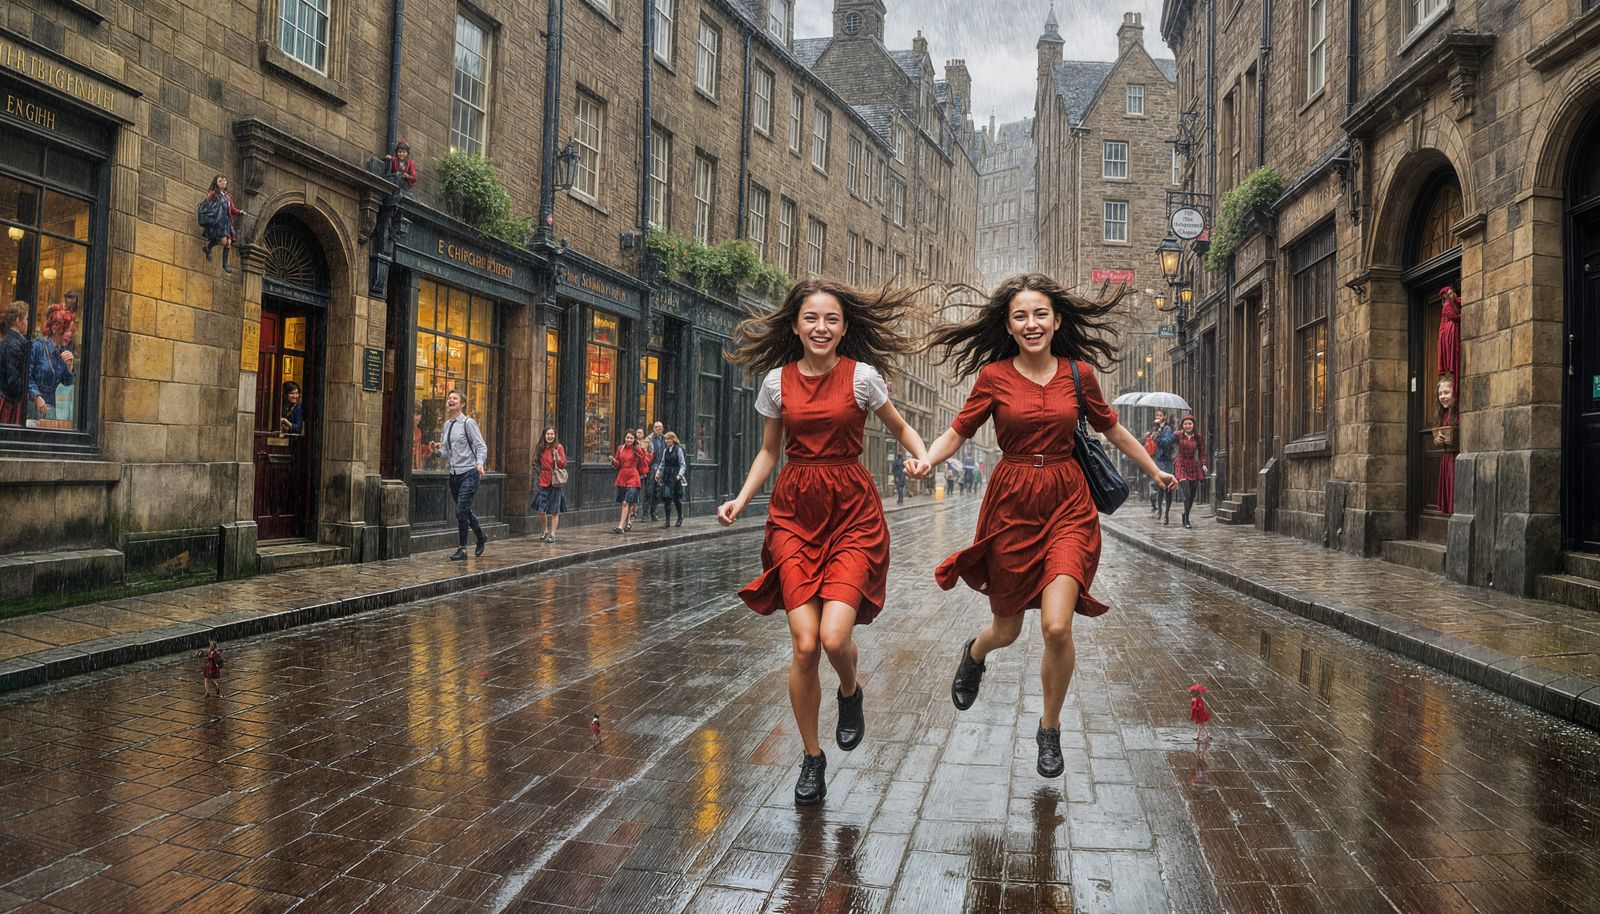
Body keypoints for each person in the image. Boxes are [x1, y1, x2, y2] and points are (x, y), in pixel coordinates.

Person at [919, 273, 1176, 779]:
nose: (1032, 323)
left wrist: (1154, 469)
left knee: (1057, 624)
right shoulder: (993, 377)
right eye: (1021, 315)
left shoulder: (1078, 374)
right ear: (1009, 326)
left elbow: (1112, 429)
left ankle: (1050, 728)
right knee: (1007, 630)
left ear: (1057, 321)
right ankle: (974, 654)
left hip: (1067, 502)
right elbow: (959, 430)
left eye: (1040, 314)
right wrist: (928, 460)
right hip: (1012, 504)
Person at [717, 279, 931, 806]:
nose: (821, 327)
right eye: (811, 319)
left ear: (844, 328)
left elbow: (902, 428)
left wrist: (922, 456)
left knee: (835, 639)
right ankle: (812, 757)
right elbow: (770, 452)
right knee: (805, 644)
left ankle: (851, 691)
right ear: (795, 325)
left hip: (852, 513)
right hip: (794, 513)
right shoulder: (775, 383)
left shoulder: (862, 379)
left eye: (831, 319)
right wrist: (742, 499)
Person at [439, 390, 488, 560]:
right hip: (454, 474)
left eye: (454, 398)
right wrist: (436, 451)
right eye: (449, 398)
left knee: (460, 510)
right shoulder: (446, 425)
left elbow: (481, 446)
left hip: (470, 472)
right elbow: (445, 451)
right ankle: (481, 536)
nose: (450, 400)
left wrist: (480, 463)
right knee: (464, 510)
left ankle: (463, 549)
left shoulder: (468, 423)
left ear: (462, 404)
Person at [27, 304, 74, 424]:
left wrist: (69, 367)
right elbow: (27, 375)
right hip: (32, 407)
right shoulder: (38, 346)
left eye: (71, 331)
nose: (70, 334)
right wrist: (37, 397)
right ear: (55, 328)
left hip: (50, 409)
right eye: (67, 330)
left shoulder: (62, 352)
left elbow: (66, 382)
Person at [199, 175, 245, 274]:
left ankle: (225, 264)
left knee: (228, 243)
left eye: (224, 180)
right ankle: (208, 247)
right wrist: (210, 196)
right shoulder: (215, 194)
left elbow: (232, 209)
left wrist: (239, 212)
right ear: (216, 183)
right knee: (224, 242)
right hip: (218, 220)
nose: (223, 182)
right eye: (220, 181)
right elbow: (209, 201)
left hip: (227, 220)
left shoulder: (228, 195)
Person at [532, 426, 567, 543]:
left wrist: (557, 458)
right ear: (544, 435)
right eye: (548, 434)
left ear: (555, 436)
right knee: (541, 509)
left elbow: (562, 464)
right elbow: (535, 462)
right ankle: (544, 530)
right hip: (543, 480)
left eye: (552, 434)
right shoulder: (540, 447)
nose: (550, 436)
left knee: (554, 510)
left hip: (555, 481)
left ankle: (553, 534)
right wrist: (537, 476)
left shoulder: (558, 447)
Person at [1174, 415, 1209, 529]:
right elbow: (1166, 442)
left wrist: (1204, 464)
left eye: (1190, 423)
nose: (1187, 426)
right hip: (1181, 464)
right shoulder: (1178, 435)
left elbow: (1202, 452)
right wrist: (1158, 434)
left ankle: (1185, 513)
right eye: (1185, 424)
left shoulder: (1198, 437)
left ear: (1193, 425)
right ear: (1182, 425)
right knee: (1187, 493)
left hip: (1192, 465)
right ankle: (1187, 520)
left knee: (1192, 495)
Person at [0, 302, 30, 426]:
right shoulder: (15, 345)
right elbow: (14, 381)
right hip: (10, 402)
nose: (27, 322)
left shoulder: (8, 340)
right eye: (26, 318)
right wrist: (29, 392)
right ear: (18, 320)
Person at [611, 430, 646, 534]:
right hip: (622, 477)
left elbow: (643, 460)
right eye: (627, 437)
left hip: (633, 477)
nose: (629, 440)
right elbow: (618, 464)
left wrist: (640, 450)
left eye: (631, 438)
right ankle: (628, 522)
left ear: (634, 439)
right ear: (624, 438)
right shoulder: (620, 448)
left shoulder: (636, 448)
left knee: (626, 502)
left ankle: (620, 527)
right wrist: (613, 461)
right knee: (627, 502)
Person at [656, 431, 688, 527]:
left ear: (673, 439)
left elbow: (683, 464)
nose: (667, 441)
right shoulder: (665, 450)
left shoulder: (678, 450)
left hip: (675, 476)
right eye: (666, 439)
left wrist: (679, 475)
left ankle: (680, 517)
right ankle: (667, 521)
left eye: (669, 439)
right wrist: (658, 472)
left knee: (677, 498)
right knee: (667, 498)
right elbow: (662, 463)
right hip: (667, 475)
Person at [1151, 411, 1177, 524]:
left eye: (1160, 415)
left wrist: (1157, 439)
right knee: (1159, 486)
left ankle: (1166, 513)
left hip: (1166, 462)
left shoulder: (1167, 429)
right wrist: (1154, 437)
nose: (1158, 417)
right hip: (1159, 460)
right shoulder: (1157, 429)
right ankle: (1160, 510)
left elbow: (1167, 442)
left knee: (1168, 488)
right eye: (1156, 415)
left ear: (1164, 417)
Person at [645, 420, 667, 521]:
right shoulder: (649, 439)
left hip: (662, 467)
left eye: (660, 427)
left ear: (663, 429)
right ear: (653, 429)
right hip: (651, 467)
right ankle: (645, 515)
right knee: (649, 491)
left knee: (658, 492)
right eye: (657, 427)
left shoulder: (666, 439)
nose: (659, 429)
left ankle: (653, 513)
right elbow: (643, 451)